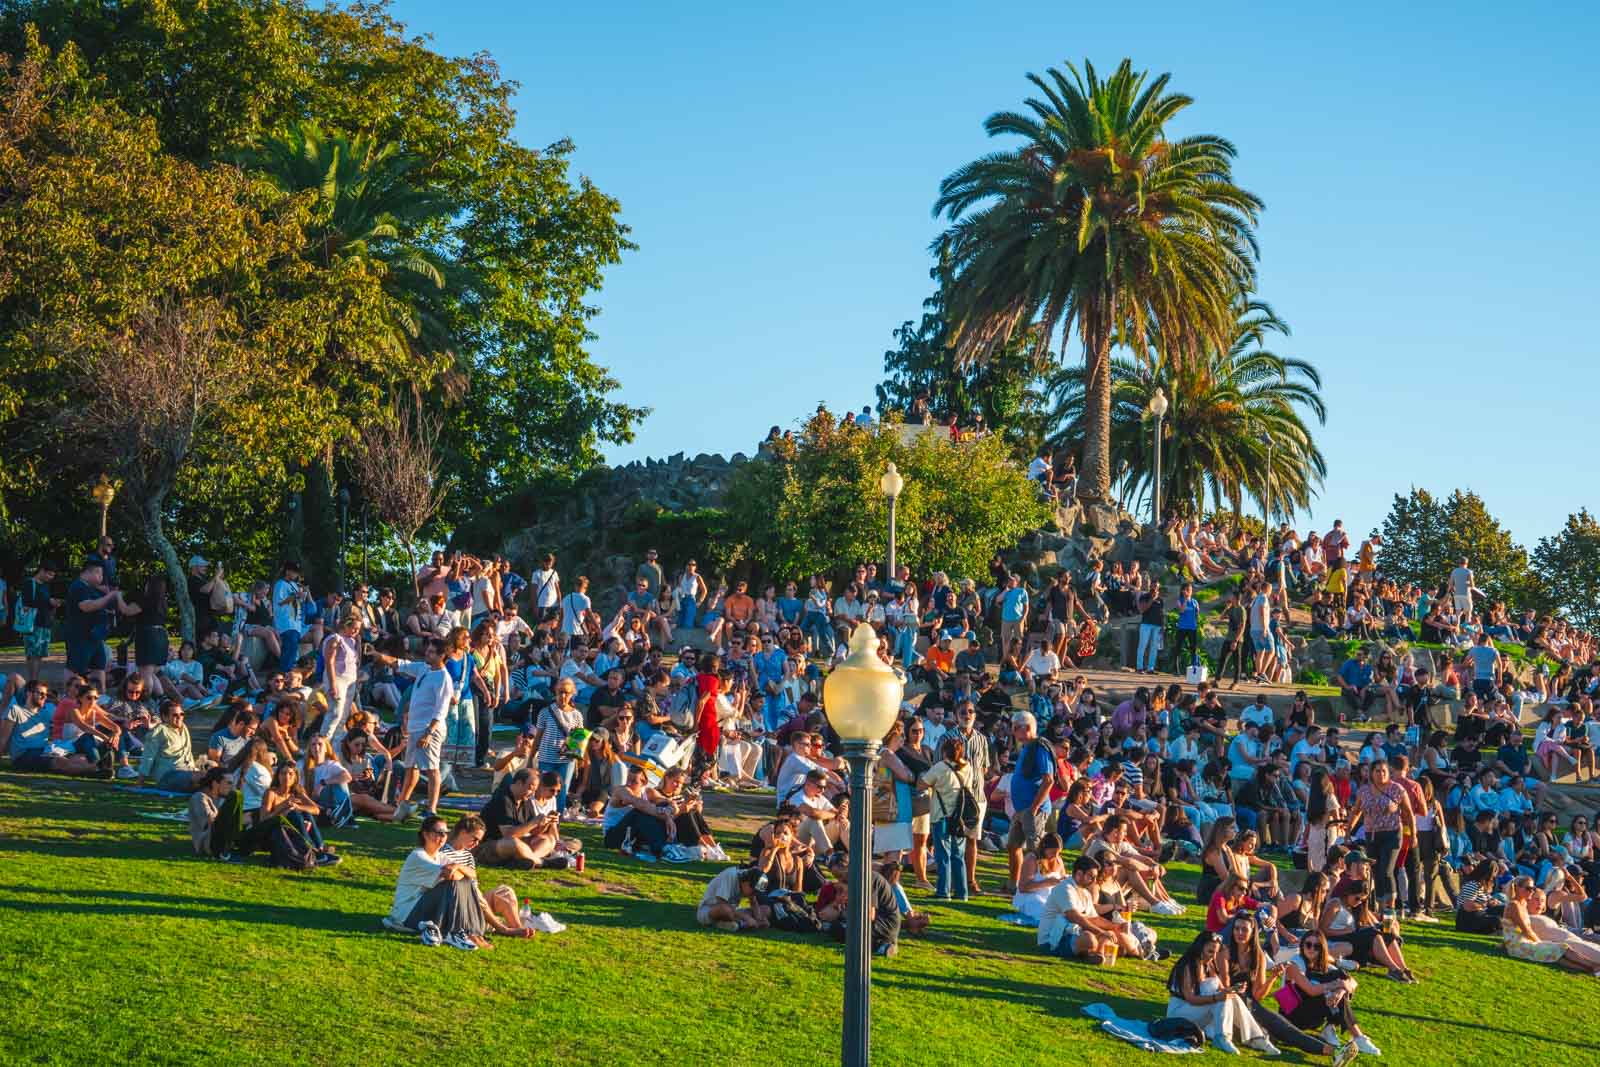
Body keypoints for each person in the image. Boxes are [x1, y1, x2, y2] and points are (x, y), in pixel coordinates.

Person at [1222, 908, 1345, 1062]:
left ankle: (1334, 1052)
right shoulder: (1225, 952)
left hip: (1250, 1003)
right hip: (1230, 1002)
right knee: (1278, 1029)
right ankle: (1333, 1051)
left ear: (1252, 931)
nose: (1239, 932)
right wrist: (1234, 991)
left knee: (1283, 1028)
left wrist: (1273, 977)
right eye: (1236, 928)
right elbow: (1223, 986)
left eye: (1244, 929)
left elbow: (1258, 995)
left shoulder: (1258, 956)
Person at [385, 815, 491, 949]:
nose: (443, 836)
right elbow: (449, 875)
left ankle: (469, 932)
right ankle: (455, 932)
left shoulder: (440, 856)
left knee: (466, 882)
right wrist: (458, 872)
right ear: (426, 834)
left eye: (445, 833)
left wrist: (458, 866)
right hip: (406, 916)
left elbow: (472, 874)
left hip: (424, 910)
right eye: (439, 833)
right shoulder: (418, 856)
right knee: (453, 883)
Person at [1164, 931, 1277, 1055]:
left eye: (1216, 952)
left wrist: (1234, 989)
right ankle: (1224, 1038)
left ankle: (1256, 1038)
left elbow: (1222, 989)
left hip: (1197, 1012)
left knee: (1231, 997)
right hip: (1178, 1015)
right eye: (1210, 951)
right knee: (1221, 998)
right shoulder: (1187, 965)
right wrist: (1216, 997)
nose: (1213, 956)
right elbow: (1190, 998)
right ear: (1200, 947)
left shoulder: (1209, 964)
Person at [386, 638, 456, 823]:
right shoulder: (424, 668)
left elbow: (441, 710)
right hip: (415, 727)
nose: (427, 653)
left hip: (429, 729)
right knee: (411, 767)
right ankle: (403, 803)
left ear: (442, 656)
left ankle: (431, 809)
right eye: (428, 650)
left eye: (432, 652)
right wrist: (378, 655)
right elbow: (401, 664)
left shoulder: (443, 678)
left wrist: (428, 733)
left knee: (432, 769)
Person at [1280, 931, 1380, 1058]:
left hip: (1312, 1014)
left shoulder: (1323, 964)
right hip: (1291, 1014)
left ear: (1322, 949)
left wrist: (1340, 991)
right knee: (1330, 987)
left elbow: (1352, 982)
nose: (1311, 949)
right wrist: (1336, 985)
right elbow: (1311, 990)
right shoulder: (1294, 964)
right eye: (1308, 945)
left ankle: (1334, 1029)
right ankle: (1357, 1037)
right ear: (1302, 946)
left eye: (1316, 946)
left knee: (1337, 982)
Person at [1500, 875, 1600, 974]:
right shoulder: (1514, 905)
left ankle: (1591, 969)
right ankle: (1594, 966)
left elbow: (1514, 930)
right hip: (1519, 946)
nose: (1531, 891)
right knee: (1562, 948)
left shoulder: (1522, 904)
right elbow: (1526, 930)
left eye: (1533, 888)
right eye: (1528, 888)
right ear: (1517, 888)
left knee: (1559, 957)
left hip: (1523, 943)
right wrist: (1540, 942)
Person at [1005, 711, 1056, 893]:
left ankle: (1038, 887)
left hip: (1034, 809)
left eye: (1014, 727)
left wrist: (1033, 808)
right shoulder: (1027, 747)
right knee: (1013, 845)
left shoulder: (1039, 748)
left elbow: (1048, 780)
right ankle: (1014, 885)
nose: (1012, 731)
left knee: (1036, 851)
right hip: (1021, 809)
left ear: (1026, 728)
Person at [136, 700, 203, 793]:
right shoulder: (159, 732)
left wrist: (196, 769)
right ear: (165, 717)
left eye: (182, 714)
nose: (179, 717)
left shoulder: (183, 727)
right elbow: (148, 757)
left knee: (214, 772)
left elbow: (188, 753)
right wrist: (140, 784)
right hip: (168, 776)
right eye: (175, 715)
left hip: (189, 770)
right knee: (202, 779)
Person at [697, 865, 770, 932]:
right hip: (709, 909)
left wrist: (759, 919)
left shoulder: (748, 882)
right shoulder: (730, 875)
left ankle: (732, 924)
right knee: (725, 910)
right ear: (747, 882)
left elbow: (754, 902)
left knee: (766, 909)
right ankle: (740, 923)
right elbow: (721, 902)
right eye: (754, 891)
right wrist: (746, 917)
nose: (754, 894)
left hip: (734, 911)